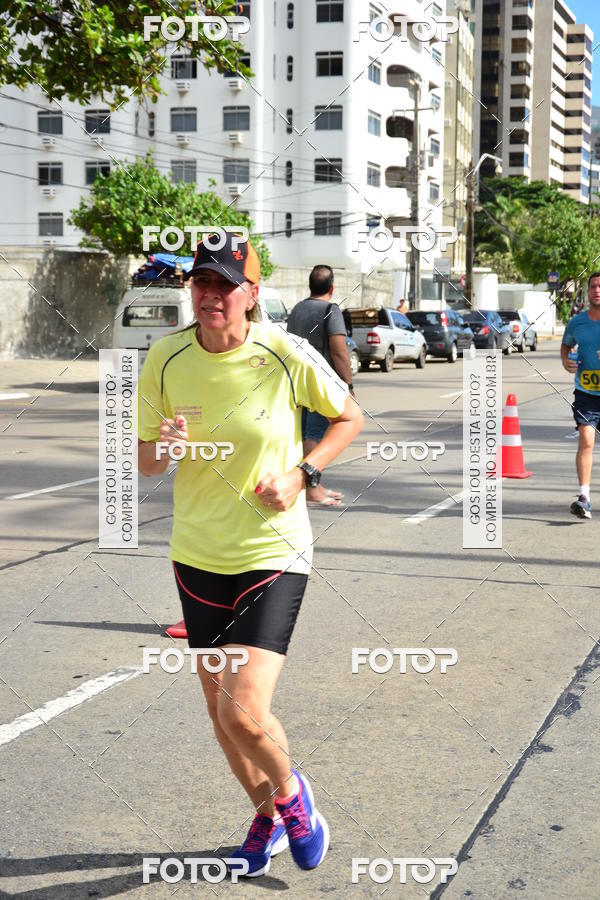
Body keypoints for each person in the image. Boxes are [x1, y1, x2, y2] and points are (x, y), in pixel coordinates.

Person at [137, 235, 363, 878]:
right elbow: (147, 460)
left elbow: (348, 417)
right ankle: (266, 815)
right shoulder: (165, 358)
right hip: (198, 554)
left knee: (243, 706)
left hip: (273, 549)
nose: (210, 293)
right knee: (220, 715)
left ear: (251, 295)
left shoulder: (284, 351)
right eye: (201, 282)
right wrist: (170, 445)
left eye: (225, 284)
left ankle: (295, 800)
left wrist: (303, 473)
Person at [286, 264, 353, 507]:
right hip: (321, 383)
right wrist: (348, 383)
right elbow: (339, 350)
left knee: (303, 434)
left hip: (294, 381)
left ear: (310, 286)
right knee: (314, 435)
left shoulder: (297, 309)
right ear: (332, 287)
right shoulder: (330, 310)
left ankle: (313, 484)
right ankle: (311, 488)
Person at [561, 271, 600, 519]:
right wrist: (566, 361)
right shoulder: (577, 322)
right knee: (586, 439)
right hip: (586, 392)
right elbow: (566, 345)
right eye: (593, 286)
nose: (597, 290)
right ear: (588, 292)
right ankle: (584, 497)